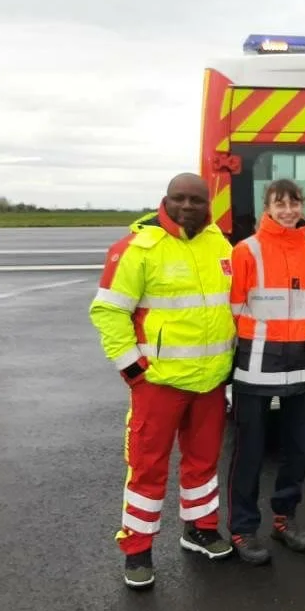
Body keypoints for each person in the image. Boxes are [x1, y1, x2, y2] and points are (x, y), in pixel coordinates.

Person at [88, 173, 236, 589]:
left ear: (209, 205)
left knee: (203, 463)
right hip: (158, 383)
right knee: (147, 468)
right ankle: (137, 550)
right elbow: (108, 311)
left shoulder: (220, 245)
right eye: (179, 198)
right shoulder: (137, 248)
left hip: (210, 381)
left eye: (196, 200)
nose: (188, 206)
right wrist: (131, 368)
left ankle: (200, 529)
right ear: (165, 200)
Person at [227, 179, 305, 565]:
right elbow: (233, 309)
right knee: (249, 452)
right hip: (256, 366)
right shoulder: (246, 250)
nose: (287, 210)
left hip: (301, 365)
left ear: (302, 206)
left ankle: (285, 519)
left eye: (293, 203)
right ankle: (243, 528)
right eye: (279, 203)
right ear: (266, 207)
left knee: (297, 451)